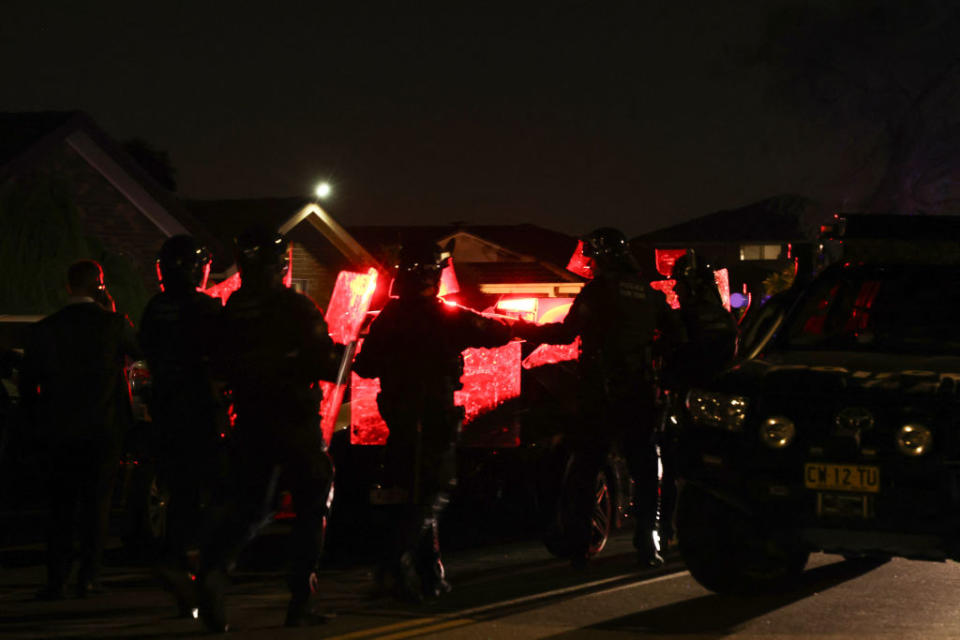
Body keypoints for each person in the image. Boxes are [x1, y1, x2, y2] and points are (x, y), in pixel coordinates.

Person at [191, 225, 342, 632]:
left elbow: (219, 365)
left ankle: (216, 571)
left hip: (250, 421)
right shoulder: (296, 306)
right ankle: (300, 600)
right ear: (283, 263)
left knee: (252, 506)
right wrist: (340, 356)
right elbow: (324, 362)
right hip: (295, 419)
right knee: (314, 504)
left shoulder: (234, 308)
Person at [352, 239, 513, 602]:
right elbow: (497, 333)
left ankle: (429, 576)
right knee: (434, 490)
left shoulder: (388, 318)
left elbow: (364, 365)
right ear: (431, 276)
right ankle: (392, 563)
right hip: (434, 416)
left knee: (410, 494)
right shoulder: (444, 316)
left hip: (397, 417)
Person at [513, 227, 677, 568]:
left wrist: (521, 330)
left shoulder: (598, 291)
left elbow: (566, 332)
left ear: (602, 258)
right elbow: (677, 336)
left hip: (600, 394)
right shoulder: (648, 295)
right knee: (645, 472)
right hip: (639, 393)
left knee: (584, 470)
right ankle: (648, 545)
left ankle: (578, 549)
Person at [18, 260, 140, 599]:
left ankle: (56, 578)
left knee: (60, 507)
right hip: (103, 428)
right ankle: (88, 576)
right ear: (99, 286)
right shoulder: (112, 324)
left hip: (59, 430)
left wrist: (37, 422)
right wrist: (114, 311)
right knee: (96, 506)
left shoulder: (45, 329)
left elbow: (28, 384)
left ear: (69, 286)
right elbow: (142, 351)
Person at [139, 235, 224, 615]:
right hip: (199, 411)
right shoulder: (203, 308)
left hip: (165, 411)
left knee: (179, 490)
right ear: (196, 268)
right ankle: (189, 564)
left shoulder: (154, 308)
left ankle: (178, 564)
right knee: (209, 493)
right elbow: (223, 360)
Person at [658, 249, 739, 546]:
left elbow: (671, 358)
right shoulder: (726, 318)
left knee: (672, 471)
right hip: (719, 408)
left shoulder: (682, 320)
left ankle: (666, 530)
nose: (676, 289)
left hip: (685, 402)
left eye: (679, 283)